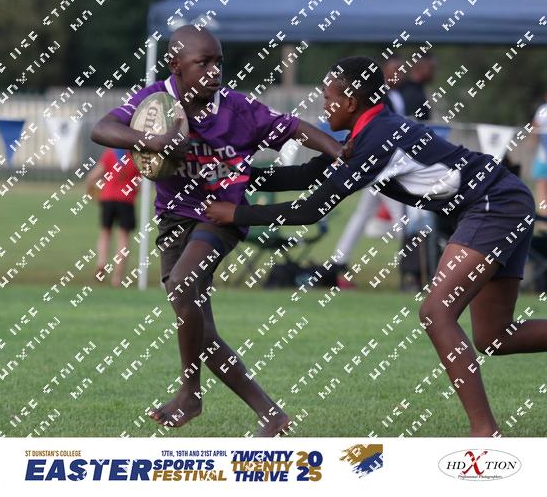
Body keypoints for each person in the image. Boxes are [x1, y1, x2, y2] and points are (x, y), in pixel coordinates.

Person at [206, 56, 546, 437]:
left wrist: (235, 214)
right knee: (494, 336)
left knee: (436, 312)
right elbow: (305, 174)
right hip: (502, 199)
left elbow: (312, 209)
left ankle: (485, 432)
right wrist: (237, 175)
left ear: (351, 102)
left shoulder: (378, 138)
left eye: (329, 98)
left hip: (493, 204)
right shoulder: (368, 132)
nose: (323, 106)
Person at [90, 25, 344, 436]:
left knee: (183, 285)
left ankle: (189, 394)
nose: (214, 71)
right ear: (175, 65)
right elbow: (101, 128)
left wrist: (337, 150)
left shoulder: (237, 109)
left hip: (220, 216)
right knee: (199, 328)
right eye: (203, 63)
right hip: (174, 219)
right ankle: (271, 414)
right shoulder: (156, 102)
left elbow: (294, 127)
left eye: (219, 62)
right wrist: (152, 140)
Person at [333, 57, 406, 289]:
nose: (399, 75)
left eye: (402, 71)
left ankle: (339, 260)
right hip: (383, 167)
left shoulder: (399, 96)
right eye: (395, 70)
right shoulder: (378, 98)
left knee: (363, 214)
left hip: (390, 166)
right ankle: (412, 268)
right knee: (401, 217)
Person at [85, 147, 141, 286]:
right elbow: (138, 185)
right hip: (126, 200)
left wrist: (90, 192)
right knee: (123, 239)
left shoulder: (109, 153)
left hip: (108, 197)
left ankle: (101, 263)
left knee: (105, 233)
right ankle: (117, 278)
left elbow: (92, 177)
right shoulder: (135, 156)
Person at [530, 92, 547, 219]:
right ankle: (544, 214)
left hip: (543, 156)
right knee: (541, 185)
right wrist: (533, 140)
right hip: (543, 155)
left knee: (542, 186)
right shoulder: (543, 110)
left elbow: (535, 126)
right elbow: (535, 126)